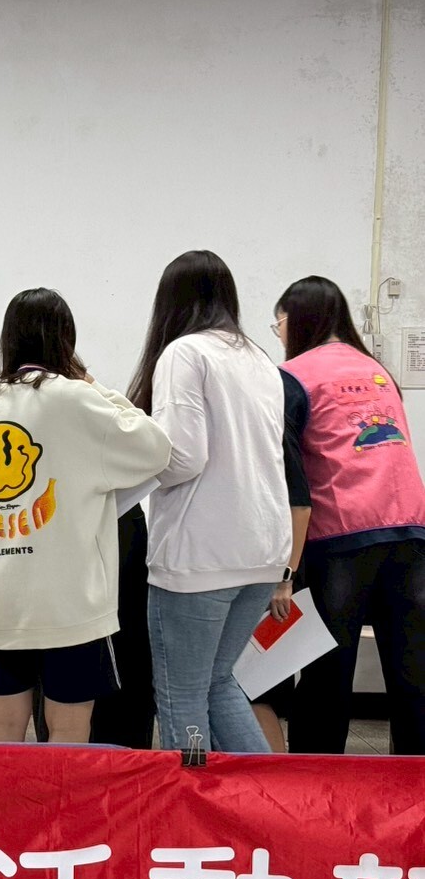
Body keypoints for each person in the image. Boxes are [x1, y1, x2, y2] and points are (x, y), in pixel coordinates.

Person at [0, 289, 171, 744]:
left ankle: (7, 796)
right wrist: (92, 383)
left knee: (2, 722)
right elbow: (155, 447)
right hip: (67, 596)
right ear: (66, 340)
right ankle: (59, 796)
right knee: (68, 726)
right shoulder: (75, 398)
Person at [129, 250, 291, 753]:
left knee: (182, 695)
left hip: (199, 557)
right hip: (262, 552)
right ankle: (263, 793)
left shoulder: (184, 353)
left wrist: (125, 475)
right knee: (219, 684)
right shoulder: (258, 358)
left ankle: (192, 791)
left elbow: (183, 457)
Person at [271, 275, 425, 754]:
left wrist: (284, 566)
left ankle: (317, 781)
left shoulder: (293, 376)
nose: (278, 333)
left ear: (297, 319)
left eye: (278, 323)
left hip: (340, 537)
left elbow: (290, 475)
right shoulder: (377, 370)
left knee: (327, 671)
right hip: (411, 530)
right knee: (413, 673)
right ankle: (414, 782)